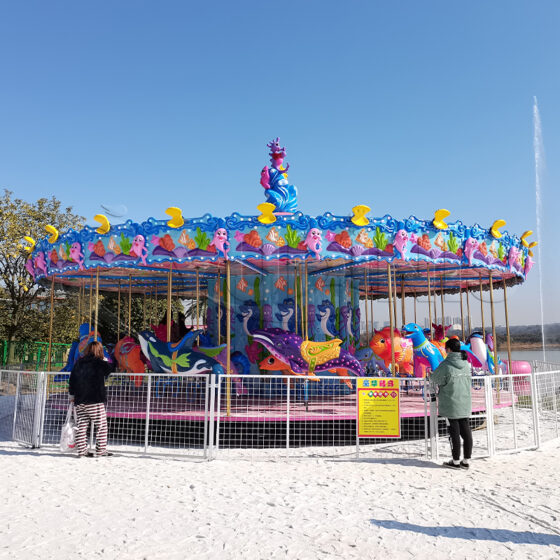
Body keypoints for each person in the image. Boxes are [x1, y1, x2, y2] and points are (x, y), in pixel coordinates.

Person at [430, 337, 473, 470]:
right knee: (466, 431)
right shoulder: (466, 363)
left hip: (451, 402)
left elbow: (436, 378)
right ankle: (466, 460)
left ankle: (455, 461)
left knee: (454, 432)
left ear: (448, 349)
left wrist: (430, 375)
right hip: (464, 400)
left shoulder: (446, 364)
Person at [69, 341, 114, 458]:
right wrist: (105, 360)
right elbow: (109, 369)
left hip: (80, 399)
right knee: (102, 425)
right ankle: (101, 450)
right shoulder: (99, 362)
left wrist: (72, 395)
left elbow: (72, 379)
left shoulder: (79, 362)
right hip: (94, 399)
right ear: (99, 351)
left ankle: (82, 451)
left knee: (81, 425)